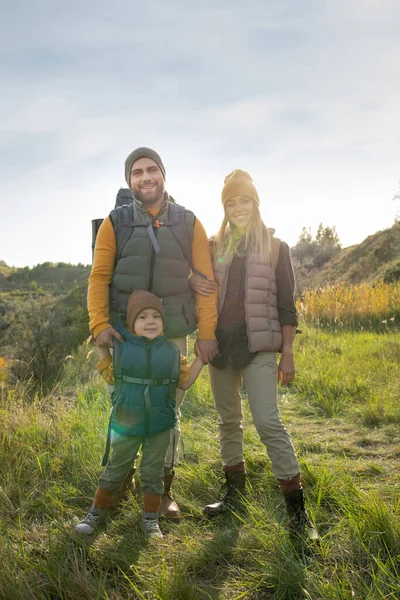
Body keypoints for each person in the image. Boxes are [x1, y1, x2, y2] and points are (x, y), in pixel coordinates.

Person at [87, 147, 218, 518]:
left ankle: (162, 492)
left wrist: (207, 333)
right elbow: (98, 277)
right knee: (124, 409)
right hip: (122, 336)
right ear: (129, 180)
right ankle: (120, 480)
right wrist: (99, 325)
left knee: (165, 413)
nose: (145, 177)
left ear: (163, 174)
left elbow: (206, 282)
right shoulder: (116, 222)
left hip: (172, 334)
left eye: (152, 170)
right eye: (137, 173)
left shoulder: (189, 222)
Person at [190, 169, 318, 540]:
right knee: (228, 421)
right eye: (231, 202)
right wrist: (190, 280)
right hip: (221, 348)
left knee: (267, 422)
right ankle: (234, 495)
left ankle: (298, 513)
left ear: (255, 202)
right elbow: (202, 288)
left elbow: (286, 305)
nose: (238, 207)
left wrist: (288, 353)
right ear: (225, 208)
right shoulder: (215, 246)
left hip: (260, 347)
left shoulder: (277, 248)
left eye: (244, 199)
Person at [76, 290, 204, 538]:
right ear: (131, 324)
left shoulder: (171, 353)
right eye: (143, 316)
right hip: (127, 421)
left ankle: (150, 519)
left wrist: (201, 358)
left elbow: (185, 382)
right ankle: (95, 513)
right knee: (116, 466)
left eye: (156, 316)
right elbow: (109, 374)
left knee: (153, 471)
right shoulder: (122, 349)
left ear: (163, 323)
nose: (150, 321)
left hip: (159, 422)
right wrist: (102, 348)